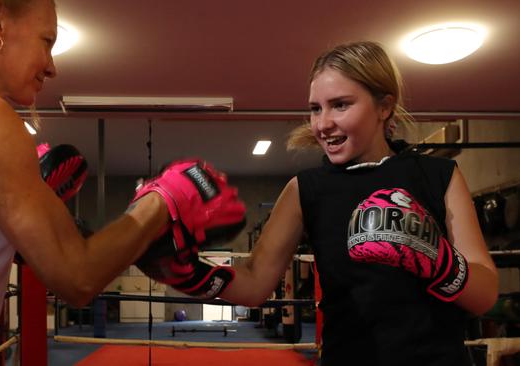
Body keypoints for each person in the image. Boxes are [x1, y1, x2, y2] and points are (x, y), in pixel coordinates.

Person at [0, 0, 245, 364]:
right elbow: (77, 279)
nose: (51, 67)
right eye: (46, 41)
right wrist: (164, 199)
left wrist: (2, 229)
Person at [142, 41, 499, 366]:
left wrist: (438, 261)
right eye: (315, 108)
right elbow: (253, 283)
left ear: (384, 107)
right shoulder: (305, 189)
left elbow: (484, 295)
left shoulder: (439, 176)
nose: (323, 123)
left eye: (340, 105)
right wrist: (189, 273)